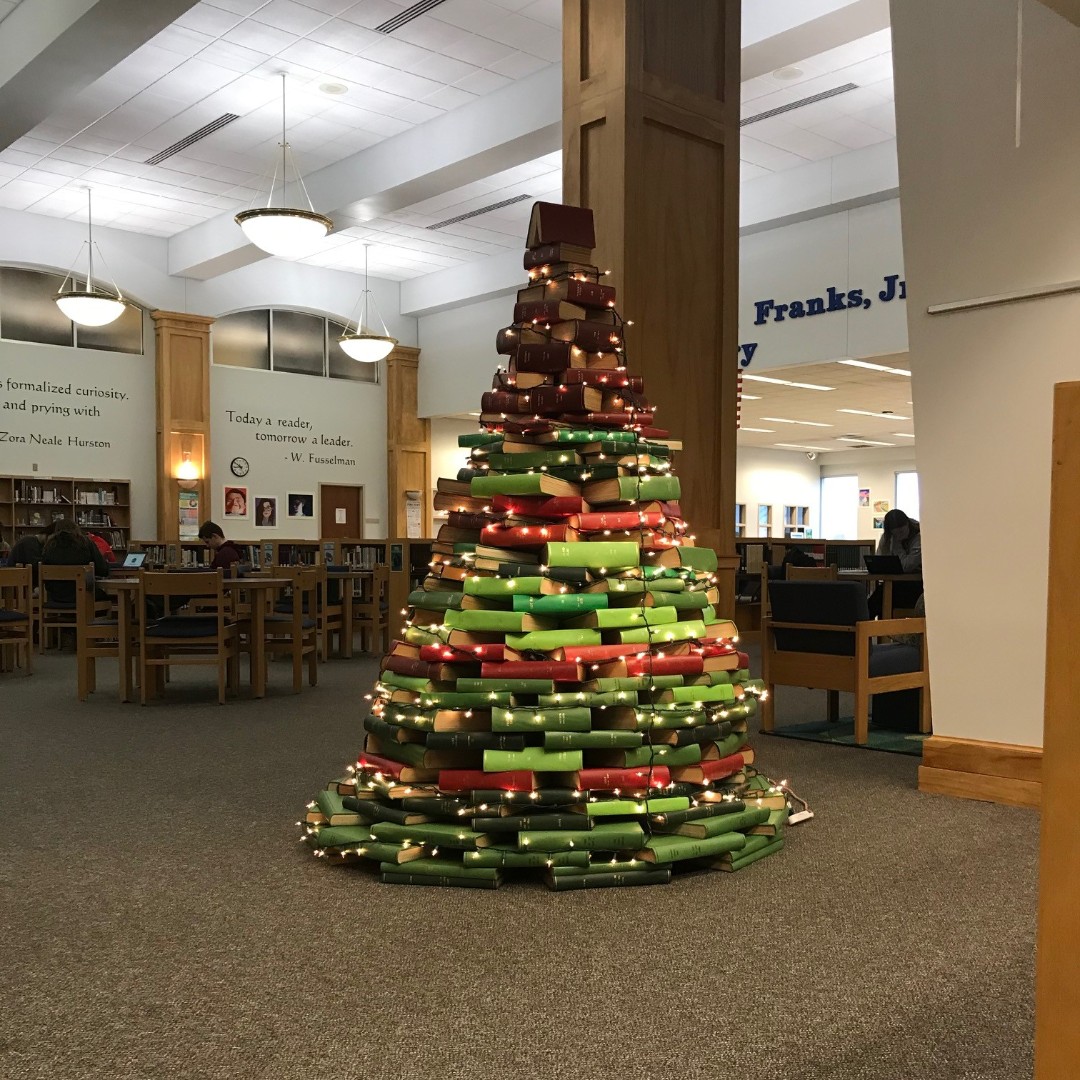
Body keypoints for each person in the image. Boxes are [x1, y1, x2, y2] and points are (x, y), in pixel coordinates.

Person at [40, 519, 110, 604]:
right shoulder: (85, 543)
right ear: (76, 528)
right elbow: (102, 569)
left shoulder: (48, 546)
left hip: (55, 597)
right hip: (82, 594)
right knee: (105, 596)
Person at [869, 508, 923, 617]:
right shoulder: (888, 537)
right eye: (896, 533)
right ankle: (872, 630)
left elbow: (906, 566)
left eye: (902, 531)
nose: (900, 536)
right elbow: (880, 558)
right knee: (878, 599)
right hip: (896, 583)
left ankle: (877, 630)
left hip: (916, 585)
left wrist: (897, 545)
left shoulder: (919, 535)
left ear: (907, 524)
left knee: (881, 599)